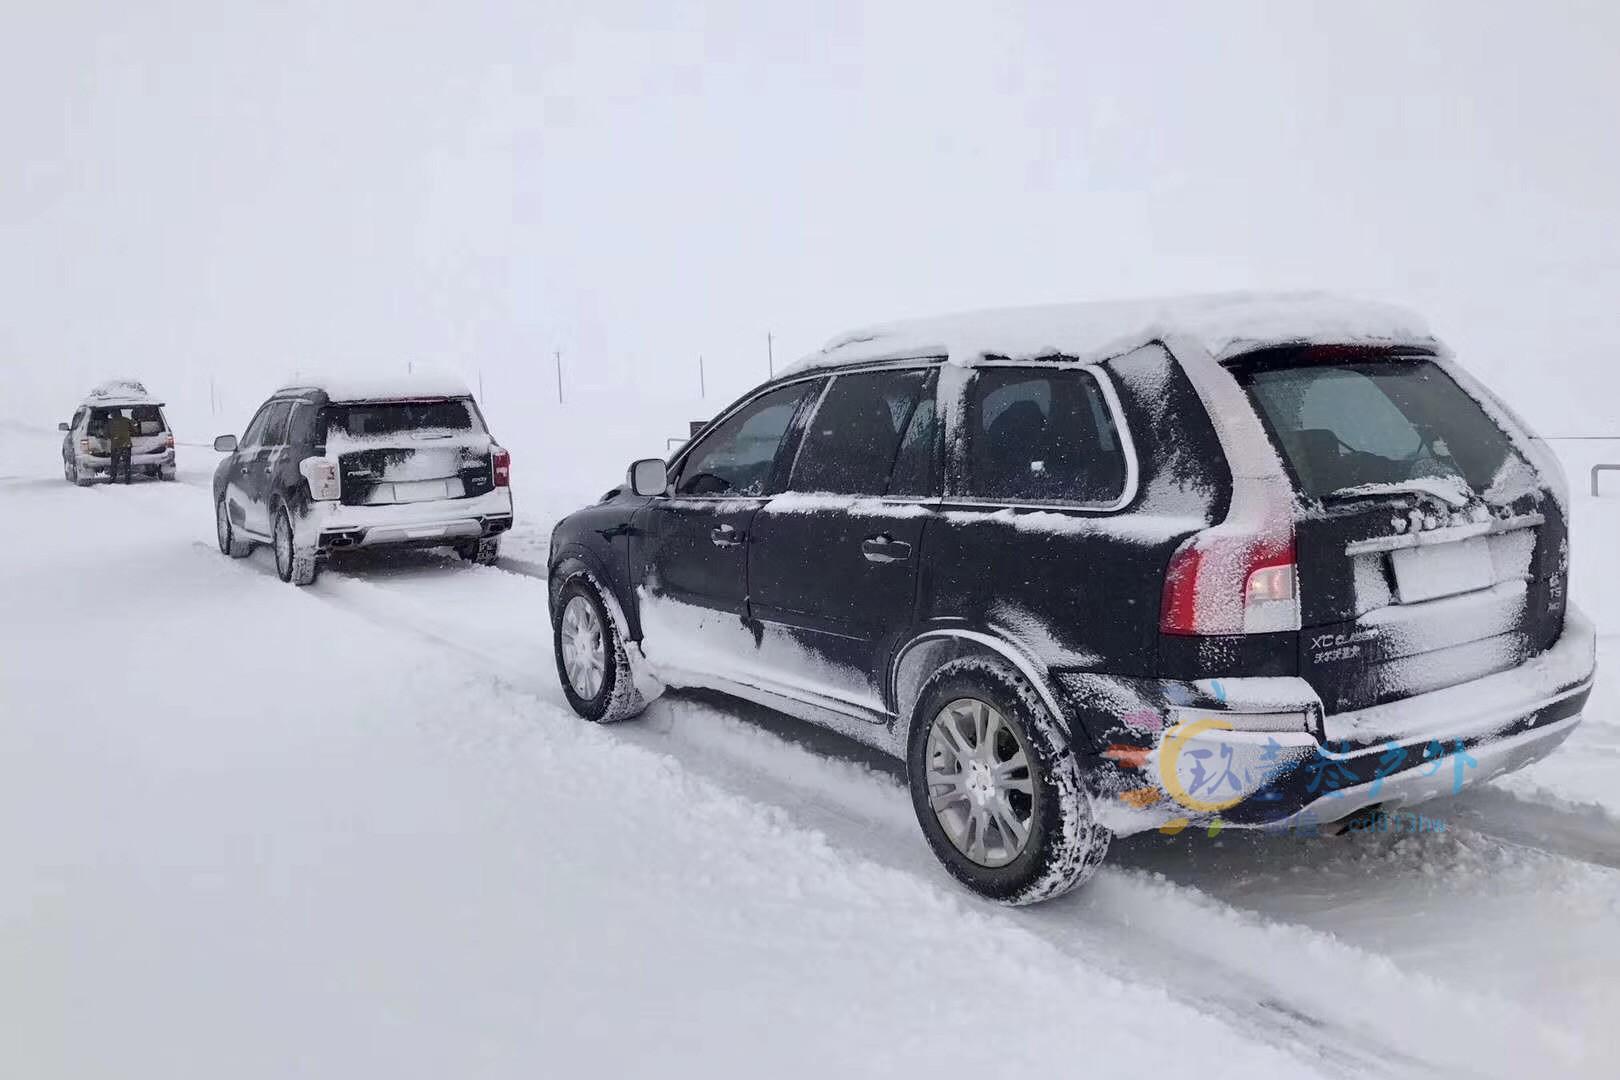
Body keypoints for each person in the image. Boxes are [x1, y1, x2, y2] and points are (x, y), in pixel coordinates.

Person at [106, 410, 134, 483]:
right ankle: (127, 480)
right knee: (127, 464)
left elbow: (106, 434)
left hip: (115, 446)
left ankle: (112, 479)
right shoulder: (127, 420)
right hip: (126, 445)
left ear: (113, 414)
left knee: (114, 464)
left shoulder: (110, 423)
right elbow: (134, 430)